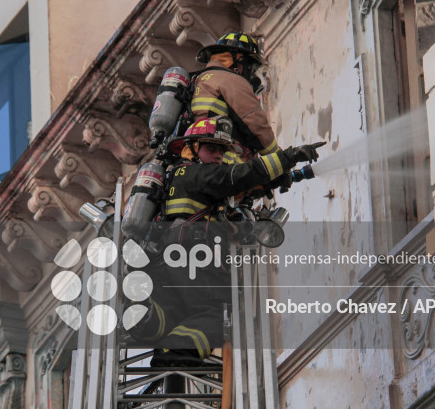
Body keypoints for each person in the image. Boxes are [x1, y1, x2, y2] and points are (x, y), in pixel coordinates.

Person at [128, 117, 323, 367]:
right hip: (194, 252)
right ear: (191, 150)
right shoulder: (196, 172)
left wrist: (279, 178)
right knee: (225, 313)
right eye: (211, 149)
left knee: (178, 312)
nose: (218, 155)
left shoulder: (179, 177)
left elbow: (240, 189)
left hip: (171, 258)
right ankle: (177, 354)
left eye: (221, 150)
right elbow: (237, 177)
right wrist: (289, 157)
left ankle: (148, 320)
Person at [192, 32, 279, 163]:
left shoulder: (197, 80)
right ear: (239, 61)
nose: (252, 74)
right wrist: (282, 159)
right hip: (226, 164)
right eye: (251, 67)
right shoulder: (231, 79)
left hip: (198, 160)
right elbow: (255, 123)